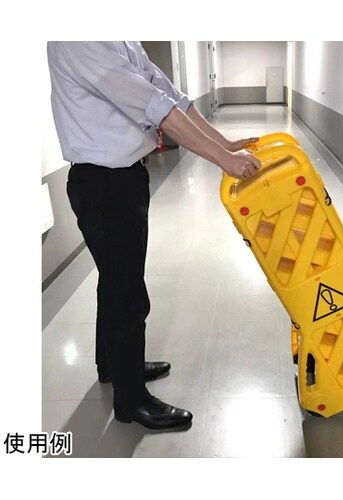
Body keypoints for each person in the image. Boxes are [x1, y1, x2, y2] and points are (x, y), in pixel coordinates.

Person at [47, 41, 261, 431]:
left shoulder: (120, 36)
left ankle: (114, 366)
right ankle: (132, 401)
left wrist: (224, 144)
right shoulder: (77, 37)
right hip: (103, 184)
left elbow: (169, 94)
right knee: (126, 291)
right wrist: (223, 159)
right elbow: (152, 103)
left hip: (124, 178)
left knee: (116, 281)